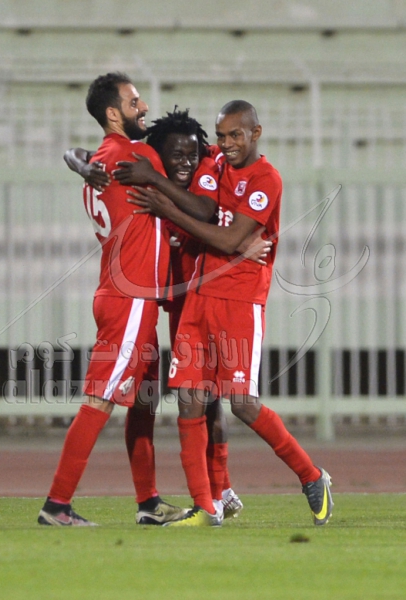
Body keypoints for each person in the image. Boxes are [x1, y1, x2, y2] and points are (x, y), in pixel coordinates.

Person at [127, 100, 334, 527]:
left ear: (256, 133)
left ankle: (312, 476)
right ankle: (207, 506)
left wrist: (169, 210)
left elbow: (228, 238)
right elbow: (194, 183)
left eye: (235, 135)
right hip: (199, 298)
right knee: (189, 401)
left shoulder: (266, 179)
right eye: (221, 136)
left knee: (242, 404)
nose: (226, 143)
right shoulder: (215, 161)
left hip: (240, 302)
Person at [66, 107, 272, 520]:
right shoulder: (146, 163)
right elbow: (80, 152)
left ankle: (220, 488)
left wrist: (235, 241)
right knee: (151, 399)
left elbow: (207, 211)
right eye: (176, 155)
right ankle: (156, 501)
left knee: (205, 398)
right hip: (163, 299)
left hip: (198, 296)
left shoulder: (202, 164)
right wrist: (82, 166)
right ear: (157, 154)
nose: (185, 162)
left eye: (190, 155)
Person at [38, 72, 188, 526]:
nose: (144, 107)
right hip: (132, 297)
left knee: (143, 400)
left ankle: (149, 503)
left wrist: (75, 157)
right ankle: (57, 505)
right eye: (134, 101)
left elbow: (83, 156)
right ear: (112, 112)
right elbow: (183, 193)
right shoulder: (138, 156)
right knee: (100, 398)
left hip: (123, 293)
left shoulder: (101, 161)